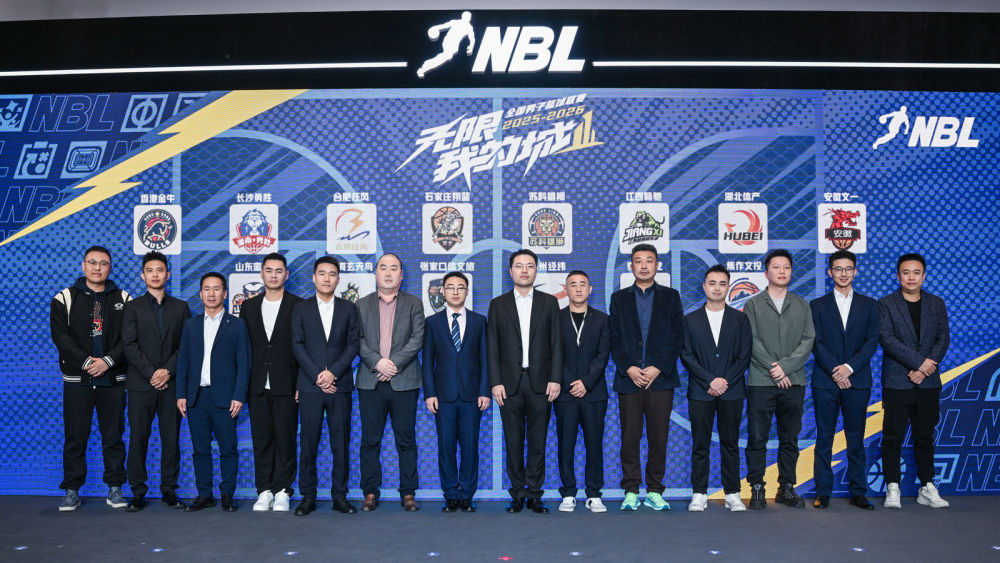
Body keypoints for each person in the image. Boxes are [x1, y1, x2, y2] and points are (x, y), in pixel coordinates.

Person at [50, 246, 131, 511]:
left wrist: (108, 361)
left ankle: (115, 488)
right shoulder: (64, 298)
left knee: (114, 436)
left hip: (112, 380)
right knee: (75, 437)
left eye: (103, 263)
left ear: (110, 268)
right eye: (92, 262)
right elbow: (61, 337)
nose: (97, 268)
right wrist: (86, 363)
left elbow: (129, 338)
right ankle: (72, 491)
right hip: (78, 381)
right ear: (83, 266)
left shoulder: (124, 299)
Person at [609, 243, 683, 511]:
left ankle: (654, 489)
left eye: (649, 260)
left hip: (660, 380)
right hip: (629, 379)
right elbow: (614, 337)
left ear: (657, 265)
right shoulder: (619, 299)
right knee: (629, 437)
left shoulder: (671, 297)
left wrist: (658, 367)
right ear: (631, 266)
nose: (643, 265)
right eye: (638, 261)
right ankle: (631, 489)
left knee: (658, 437)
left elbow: (677, 336)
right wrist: (628, 367)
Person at [487, 249, 562, 514]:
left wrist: (555, 378)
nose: (524, 270)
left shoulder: (549, 302)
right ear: (511, 272)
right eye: (519, 266)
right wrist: (495, 382)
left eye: (530, 266)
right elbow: (492, 346)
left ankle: (534, 494)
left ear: (536, 270)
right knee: (513, 441)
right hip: (509, 385)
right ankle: (517, 493)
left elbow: (556, 343)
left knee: (538, 441)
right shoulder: (498, 304)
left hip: (541, 383)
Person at [743, 249, 815, 510]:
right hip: (761, 381)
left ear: (791, 272)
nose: (782, 271)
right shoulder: (752, 304)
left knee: (790, 438)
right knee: (757, 437)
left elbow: (808, 340)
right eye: (776, 267)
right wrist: (775, 370)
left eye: (786, 267)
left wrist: (785, 368)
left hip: (793, 382)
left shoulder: (802, 304)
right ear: (766, 273)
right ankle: (757, 487)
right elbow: (751, 340)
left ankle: (786, 487)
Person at [879, 253, 950, 509]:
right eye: (906, 272)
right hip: (897, 381)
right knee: (893, 436)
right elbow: (887, 339)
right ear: (898, 276)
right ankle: (892, 486)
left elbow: (943, 338)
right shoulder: (886, 304)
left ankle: (927, 485)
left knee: (925, 436)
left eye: (916, 272)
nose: (911, 277)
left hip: (928, 382)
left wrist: (925, 368)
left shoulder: (936, 303)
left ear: (924, 275)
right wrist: (919, 363)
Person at [810, 250, 880, 510]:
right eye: (838, 269)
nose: (843, 273)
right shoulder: (817, 305)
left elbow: (872, 341)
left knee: (856, 437)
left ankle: (858, 492)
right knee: (824, 437)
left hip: (857, 380)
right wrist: (835, 370)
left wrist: (849, 368)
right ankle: (823, 492)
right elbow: (816, 342)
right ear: (830, 272)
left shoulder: (870, 305)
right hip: (825, 381)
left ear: (855, 271)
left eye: (848, 268)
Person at [290, 256, 360, 516]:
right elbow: (297, 344)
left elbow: (353, 344)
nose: (327, 278)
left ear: (338, 279)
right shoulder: (301, 308)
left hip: (340, 387)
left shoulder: (349, 309)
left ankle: (340, 496)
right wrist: (318, 376)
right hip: (310, 387)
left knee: (340, 444)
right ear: (314, 278)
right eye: (322, 273)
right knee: (308, 444)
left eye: (332, 274)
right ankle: (307, 496)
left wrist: (333, 373)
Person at [175, 272, 251, 512]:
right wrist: (181, 394)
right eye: (206, 289)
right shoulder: (191, 325)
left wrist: (239, 395)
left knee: (228, 449)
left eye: (216, 289)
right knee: (200, 450)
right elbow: (183, 361)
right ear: (200, 294)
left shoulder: (237, 325)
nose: (211, 293)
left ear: (225, 293)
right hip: (196, 397)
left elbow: (244, 363)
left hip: (226, 398)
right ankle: (204, 494)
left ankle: (227, 494)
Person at [122, 251, 190, 511]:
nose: (155, 274)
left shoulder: (180, 308)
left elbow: (186, 345)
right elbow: (129, 345)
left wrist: (167, 371)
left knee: (171, 439)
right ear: (143, 275)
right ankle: (138, 491)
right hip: (141, 385)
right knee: (138, 437)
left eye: (160, 270)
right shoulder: (132, 307)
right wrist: (152, 374)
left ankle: (169, 490)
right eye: (150, 270)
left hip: (171, 385)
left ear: (167, 274)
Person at [356, 253, 425, 512]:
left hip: (404, 381)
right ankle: (369, 492)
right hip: (370, 381)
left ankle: (408, 492)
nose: (388, 273)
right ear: (375, 273)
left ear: (401, 275)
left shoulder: (414, 303)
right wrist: (378, 363)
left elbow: (417, 339)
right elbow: (357, 340)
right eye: (383, 268)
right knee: (369, 441)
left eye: (393, 268)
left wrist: (393, 364)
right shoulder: (361, 305)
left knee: (406, 440)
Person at [680, 264, 752, 512]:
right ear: (704, 287)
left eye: (722, 283)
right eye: (712, 283)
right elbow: (686, 355)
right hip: (701, 392)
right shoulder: (690, 320)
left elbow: (744, 355)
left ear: (728, 287)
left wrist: (724, 382)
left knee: (730, 443)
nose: (717, 288)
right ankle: (699, 493)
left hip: (732, 391)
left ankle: (732, 493)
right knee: (700, 444)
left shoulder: (740, 319)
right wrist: (710, 380)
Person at [240, 253, 303, 512]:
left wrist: (301, 382)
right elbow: (243, 349)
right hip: (256, 384)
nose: (274, 275)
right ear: (262, 273)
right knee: (262, 439)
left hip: (287, 383)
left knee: (286, 439)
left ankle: (283, 490)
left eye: (279, 270)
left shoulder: (299, 305)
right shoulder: (248, 307)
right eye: (269, 270)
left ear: (286, 274)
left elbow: (303, 347)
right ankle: (264, 490)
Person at [422, 271, 490, 513]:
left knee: (470, 448)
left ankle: (467, 495)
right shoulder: (432, 322)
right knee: (446, 447)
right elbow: (427, 361)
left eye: (460, 287)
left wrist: (484, 391)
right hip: (443, 397)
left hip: (472, 397)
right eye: (450, 287)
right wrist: (430, 393)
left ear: (467, 291)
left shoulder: (479, 321)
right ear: (443, 292)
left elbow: (485, 359)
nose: (455, 291)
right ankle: (451, 495)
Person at [555, 270, 610, 513]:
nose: (578, 289)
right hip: (565, 393)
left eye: (582, 284)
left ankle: (594, 493)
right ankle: (568, 493)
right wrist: (570, 382)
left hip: (594, 392)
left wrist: (586, 382)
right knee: (565, 444)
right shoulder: (555, 318)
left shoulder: (603, 319)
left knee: (594, 444)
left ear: (590, 289)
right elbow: (553, 354)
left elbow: (603, 355)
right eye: (573, 285)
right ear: (566, 290)